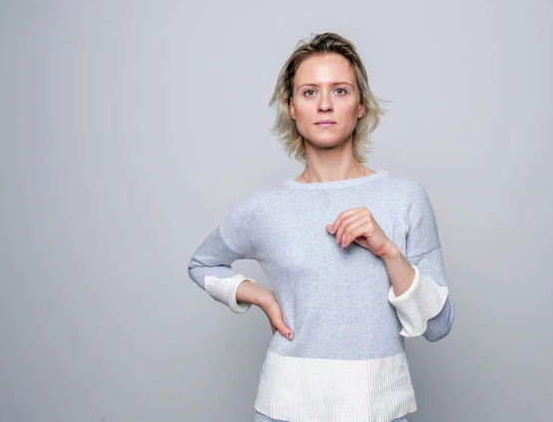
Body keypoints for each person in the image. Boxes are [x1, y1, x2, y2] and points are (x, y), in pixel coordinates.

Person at [187, 32, 455, 422]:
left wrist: (388, 251)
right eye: (310, 92)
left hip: (380, 409)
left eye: (340, 91)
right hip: (286, 408)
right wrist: (260, 296)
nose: (325, 105)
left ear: (361, 105)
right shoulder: (265, 208)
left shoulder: (405, 197)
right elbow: (201, 264)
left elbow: (439, 325)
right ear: (291, 107)